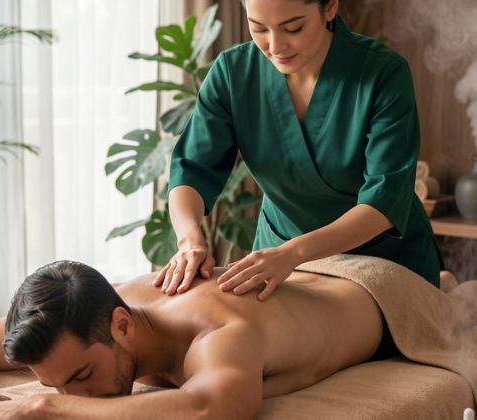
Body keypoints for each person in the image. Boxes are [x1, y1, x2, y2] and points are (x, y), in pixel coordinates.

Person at [0, 260, 477, 420]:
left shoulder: (214, 337)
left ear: (122, 325)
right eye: (54, 383)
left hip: (377, 295)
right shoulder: (88, 313)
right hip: (302, 289)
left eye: (81, 378)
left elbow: (217, 406)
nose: (76, 393)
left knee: (458, 310)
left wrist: (50, 406)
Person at [155, 0, 446, 301]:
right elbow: (191, 168)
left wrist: (293, 253)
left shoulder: (383, 72)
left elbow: (384, 199)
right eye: (259, 28)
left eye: (293, 28)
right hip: (278, 253)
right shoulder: (233, 72)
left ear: (329, 7)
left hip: (378, 255)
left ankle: (467, 290)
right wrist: (190, 241)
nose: (275, 46)